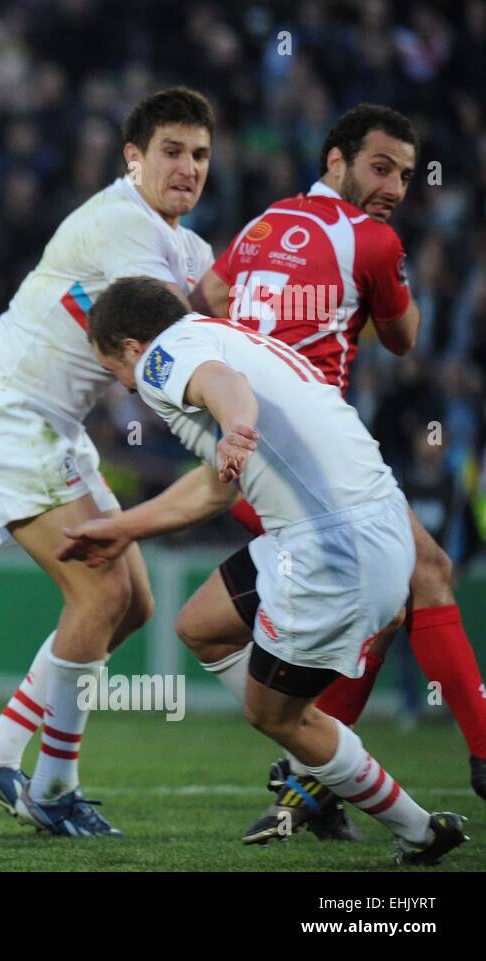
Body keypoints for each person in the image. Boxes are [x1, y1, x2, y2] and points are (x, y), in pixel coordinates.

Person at [59, 275, 468, 866]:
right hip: (365, 529)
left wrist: (235, 427)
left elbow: (228, 390)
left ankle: (418, 830)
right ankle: (316, 741)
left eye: (112, 368)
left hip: (334, 551)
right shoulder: (221, 335)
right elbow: (212, 491)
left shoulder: (162, 359)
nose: (122, 384)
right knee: (201, 625)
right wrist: (124, 528)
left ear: (127, 345)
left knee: (271, 715)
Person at [191, 103, 486, 839]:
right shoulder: (374, 241)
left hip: (242, 452)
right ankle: (476, 756)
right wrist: (376, 292)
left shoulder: (261, 225)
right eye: (380, 168)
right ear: (335, 161)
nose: (393, 186)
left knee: (387, 604)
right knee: (427, 571)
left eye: (407, 176)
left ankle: (311, 784)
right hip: (310, 458)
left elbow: (212, 298)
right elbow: (405, 339)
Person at [0, 88, 215, 836]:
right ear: (134, 157)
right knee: (97, 596)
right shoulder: (126, 226)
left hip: (51, 427)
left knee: (133, 604)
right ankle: (45, 781)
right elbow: (177, 353)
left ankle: (11, 756)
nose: (187, 167)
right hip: (7, 416)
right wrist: (228, 433)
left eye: (199, 154)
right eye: (171, 150)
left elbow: (206, 312)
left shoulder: (181, 246)